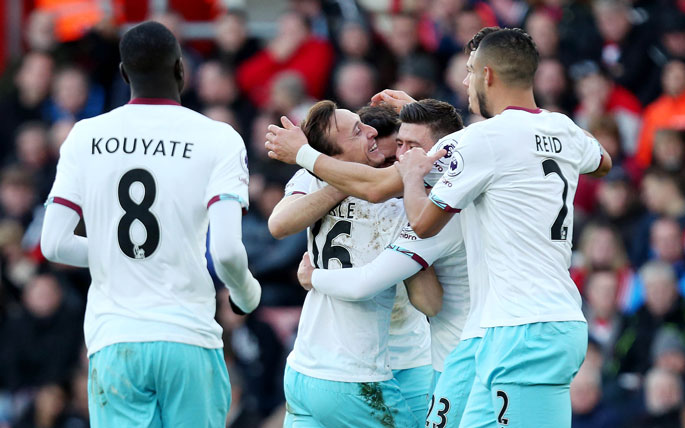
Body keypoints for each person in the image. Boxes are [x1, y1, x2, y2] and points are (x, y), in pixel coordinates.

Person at [39, 21, 261, 427]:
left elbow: (53, 243)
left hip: (115, 340)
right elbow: (227, 250)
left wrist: (118, 254)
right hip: (188, 337)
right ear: (181, 70)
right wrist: (247, 294)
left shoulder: (85, 135)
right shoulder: (218, 137)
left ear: (124, 74)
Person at [392, 27, 611, 427]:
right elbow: (603, 160)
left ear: (487, 75)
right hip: (520, 322)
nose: (465, 81)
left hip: (528, 329)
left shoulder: (484, 140)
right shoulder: (561, 127)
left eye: (470, 70)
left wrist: (411, 174)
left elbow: (423, 224)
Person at [273, 103, 438, 426]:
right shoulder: (396, 206)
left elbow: (279, 225)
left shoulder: (313, 178)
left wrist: (314, 277)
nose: (371, 134)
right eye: (358, 132)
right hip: (359, 370)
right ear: (332, 160)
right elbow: (429, 301)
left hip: (312, 366)